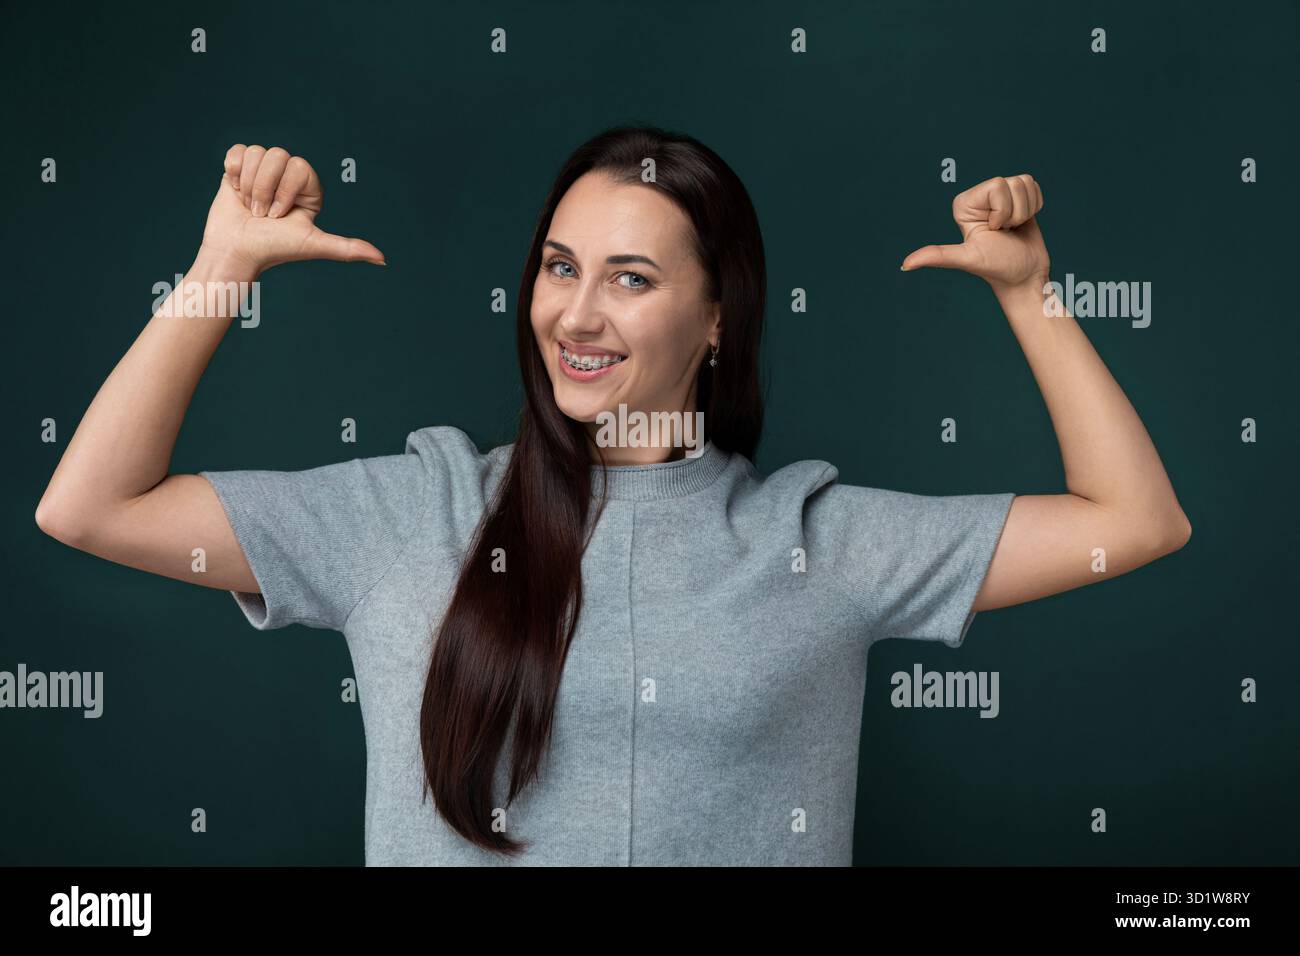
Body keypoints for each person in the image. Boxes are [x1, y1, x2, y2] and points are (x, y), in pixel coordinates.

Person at [34, 125, 1190, 866]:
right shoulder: (407, 511)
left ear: (719, 318)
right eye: (559, 266)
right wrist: (219, 270)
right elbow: (92, 505)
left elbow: (1133, 521)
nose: (576, 314)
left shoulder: (818, 541)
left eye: (630, 279)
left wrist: (1033, 294)